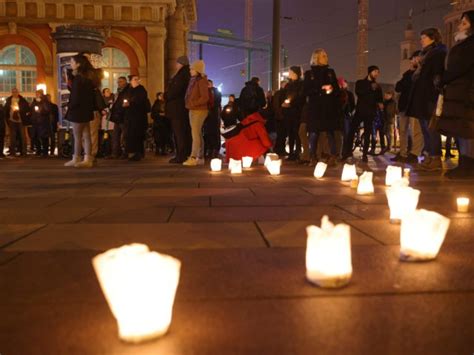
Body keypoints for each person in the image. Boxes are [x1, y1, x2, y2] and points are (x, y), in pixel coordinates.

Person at [437, 11, 474, 178]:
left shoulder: (470, 44)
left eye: (464, 23)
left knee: (466, 128)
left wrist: (442, 78)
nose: (459, 25)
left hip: (465, 93)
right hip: (458, 92)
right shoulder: (463, 43)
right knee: (461, 129)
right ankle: (464, 164)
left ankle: (467, 165)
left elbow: (459, 67)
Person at [406, 28, 447, 171]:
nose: (421, 40)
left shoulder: (438, 53)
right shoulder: (426, 54)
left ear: (433, 38)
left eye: (424, 37)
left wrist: (436, 93)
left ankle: (436, 158)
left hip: (430, 96)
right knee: (425, 128)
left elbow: (437, 75)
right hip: (422, 97)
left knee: (431, 128)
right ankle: (429, 156)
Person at [304, 49, 343, 166]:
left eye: (326, 55)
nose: (326, 57)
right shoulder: (309, 74)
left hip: (328, 107)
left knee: (330, 132)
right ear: (316, 58)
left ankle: (333, 156)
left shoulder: (330, 72)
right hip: (315, 108)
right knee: (314, 133)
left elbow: (337, 89)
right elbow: (306, 90)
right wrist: (321, 88)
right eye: (323, 56)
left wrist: (332, 89)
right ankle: (313, 156)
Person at [64, 54, 101, 168]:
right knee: (86, 135)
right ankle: (87, 159)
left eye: (72, 62)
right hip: (86, 110)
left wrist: (69, 106)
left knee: (77, 136)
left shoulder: (79, 79)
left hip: (78, 111)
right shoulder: (88, 78)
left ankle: (76, 158)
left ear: (78, 64)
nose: (71, 64)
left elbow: (75, 96)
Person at [343, 66, 383, 162]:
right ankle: (347, 152)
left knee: (368, 132)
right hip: (360, 111)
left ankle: (365, 154)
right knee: (351, 130)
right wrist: (370, 87)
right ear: (370, 72)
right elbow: (359, 92)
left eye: (378, 72)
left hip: (371, 112)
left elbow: (379, 99)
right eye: (375, 71)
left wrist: (380, 104)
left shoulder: (378, 86)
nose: (376, 74)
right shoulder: (360, 82)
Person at [392, 51, 423, 163]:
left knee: (416, 130)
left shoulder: (421, 73)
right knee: (402, 131)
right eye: (411, 60)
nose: (412, 62)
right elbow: (398, 87)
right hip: (404, 106)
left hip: (414, 105)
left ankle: (415, 153)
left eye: (414, 59)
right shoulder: (407, 74)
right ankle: (403, 153)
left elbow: (407, 86)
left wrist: (405, 84)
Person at [165, 56, 191, 164]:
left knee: (179, 133)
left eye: (177, 63)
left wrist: (166, 95)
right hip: (181, 108)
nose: (176, 65)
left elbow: (175, 91)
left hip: (177, 109)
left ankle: (181, 155)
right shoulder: (186, 74)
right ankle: (185, 153)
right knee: (183, 132)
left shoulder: (181, 75)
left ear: (181, 64)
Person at [183, 60, 209, 166]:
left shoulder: (201, 81)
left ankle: (193, 157)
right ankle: (201, 156)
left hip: (199, 110)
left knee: (195, 134)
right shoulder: (193, 80)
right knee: (197, 133)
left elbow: (205, 97)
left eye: (192, 68)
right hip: (193, 109)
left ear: (197, 70)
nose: (190, 70)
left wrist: (193, 103)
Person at [124, 75, 150, 162]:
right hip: (130, 117)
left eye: (137, 79)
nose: (137, 81)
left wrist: (130, 103)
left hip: (138, 117)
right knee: (130, 135)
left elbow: (140, 101)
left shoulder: (141, 90)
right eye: (135, 79)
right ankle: (131, 153)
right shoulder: (128, 90)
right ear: (130, 81)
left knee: (137, 135)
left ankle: (137, 153)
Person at [282, 66, 305, 161]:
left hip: (297, 112)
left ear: (295, 73)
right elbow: (285, 95)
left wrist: (291, 103)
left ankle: (297, 152)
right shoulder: (289, 85)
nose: (289, 74)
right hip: (289, 113)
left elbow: (301, 98)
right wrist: (284, 103)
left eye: (290, 72)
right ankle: (291, 152)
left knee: (297, 133)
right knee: (290, 133)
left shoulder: (301, 84)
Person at [4, 88, 29, 156]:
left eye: (16, 92)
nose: (14, 93)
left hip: (20, 120)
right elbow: (6, 109)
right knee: (12, 137)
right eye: (13, 92)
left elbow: (27, 108)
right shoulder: (9, 100)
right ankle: (12, 152)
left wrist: (19, 110)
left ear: (18, 92)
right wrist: (8, 118)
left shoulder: (22, 100)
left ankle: (23, 152)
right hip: (12, 120)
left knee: (22, 136)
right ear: (12, 93)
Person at [110, 77, 129, 159]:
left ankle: (125, 152)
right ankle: (115, 152)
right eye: (118, 82)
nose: (119, 83)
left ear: (125, 82)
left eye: (121, 82)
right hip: (117, 116)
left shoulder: (127, 91)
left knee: (124, 135)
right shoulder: (119, 91)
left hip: (123, 115)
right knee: (116, 135)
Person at [203, 79, 222, 159]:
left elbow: (217, 103)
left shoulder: (215, 92)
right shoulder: (214, 92)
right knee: (210, 133)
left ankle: (213, 149)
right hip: (210, 115)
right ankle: (211, 149)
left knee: (212, 132)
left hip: (212, 115)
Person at [30, 89, 51, 157]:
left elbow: (47, 110)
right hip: (35, 122)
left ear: (41, 94)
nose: (36, 95)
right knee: (35, 137)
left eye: (38, 94)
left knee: (44, 137)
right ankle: (38, 151)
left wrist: (40, 111)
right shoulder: (34, 101)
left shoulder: (45, 101)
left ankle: (45, 152)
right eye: (36, 94)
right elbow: (31, 109)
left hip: (43, 122)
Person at [273, 81, 287, 156]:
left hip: (280, 116)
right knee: (281, 134)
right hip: (281, 117)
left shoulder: (278, 93)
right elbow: (276, 105)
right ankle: (280, 149)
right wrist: (280, 114)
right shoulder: (279, 93)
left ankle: (280, 149)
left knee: (282, 134)